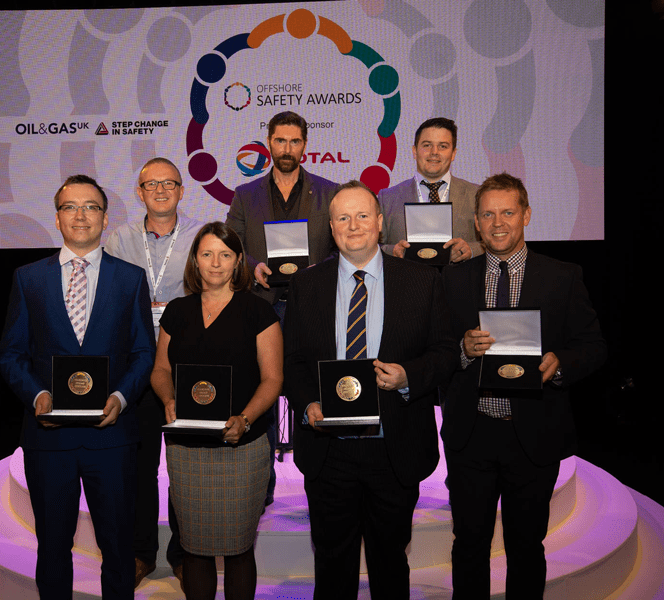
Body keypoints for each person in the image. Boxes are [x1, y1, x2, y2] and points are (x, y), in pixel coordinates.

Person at [283, 181, 459, 600]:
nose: (353, 225)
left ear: (380, 223)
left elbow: (446, 351)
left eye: (363, 215)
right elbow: (292, 361)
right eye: (343, 217)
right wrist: (308, 401)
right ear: (331, 227)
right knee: (331, 564)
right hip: (330, 450)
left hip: (393, 449)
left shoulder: (422, 281)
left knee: (390, 562)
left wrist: (408, 376)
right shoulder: (306, 286)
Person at [441, 172, 606, 599]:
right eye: (488, 214)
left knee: (526, 547)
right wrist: (461, 348)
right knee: (469, 545)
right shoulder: (454, 279)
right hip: (471, 436)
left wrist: (561, 363)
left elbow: (593, 345)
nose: (498, 223)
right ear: (475, 222)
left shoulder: (562, 276)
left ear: (527, 215)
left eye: (508, 212)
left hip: (533, 436)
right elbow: (436, 351)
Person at [0, 174, 156, 599]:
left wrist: (121, 397)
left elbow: (145, 353)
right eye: (70, 207)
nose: (80, 215)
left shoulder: (131, 279)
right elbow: (10, 353)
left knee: (118, 549)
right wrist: (36, 395)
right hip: (50, 440)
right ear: (57, 217)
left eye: (91, 206)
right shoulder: (28, 278)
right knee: (52, 547)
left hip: (113, 438)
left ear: (106, 218)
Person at [150, 222, 283, 600]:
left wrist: (245, 418)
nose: (216, 263)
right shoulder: (176, 311)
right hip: (186, 449)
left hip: (242, 448)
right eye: (207, 254)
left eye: (225, 255)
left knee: (239, 549)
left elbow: (273, 380)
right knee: (193, 548)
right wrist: (169, 399)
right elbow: (160, 369)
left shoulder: (259, 312)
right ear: (195, 259)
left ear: (239, 261)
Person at [226, 110, 337, 502]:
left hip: (314, 310)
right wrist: (252, 265)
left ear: (305, 145)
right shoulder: (245, 194)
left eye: (294, 141)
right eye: (280, 140)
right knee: (263, 394)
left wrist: (316, 274)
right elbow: (232, 246)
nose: (287, 149)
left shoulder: (330, 192)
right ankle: (263, 485)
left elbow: (343, 249)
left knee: (312, 392)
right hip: (263, 307)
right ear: (268, 142)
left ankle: (319, 484)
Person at [103, 157, 202, 589]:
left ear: (182, 191)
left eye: (170, 183)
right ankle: (142, 552)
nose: (161, 190)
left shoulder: (203, 235)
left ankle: (185, 554)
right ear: (139, 193)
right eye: (151, 184)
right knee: (139, 467)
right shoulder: (117, 238)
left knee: (185, 466)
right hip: (137, 361)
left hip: (189, 363)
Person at [380, 117, 482, 262]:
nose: (434, 152)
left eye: (443, 146)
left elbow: (494, 240)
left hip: (460, 282)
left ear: (453, 153)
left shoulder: (477, 195)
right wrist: (393, 251)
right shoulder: (387, 198)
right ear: (414, 151)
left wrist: (471, 250)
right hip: (407, 281)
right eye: (427, 145)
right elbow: (373, 245)